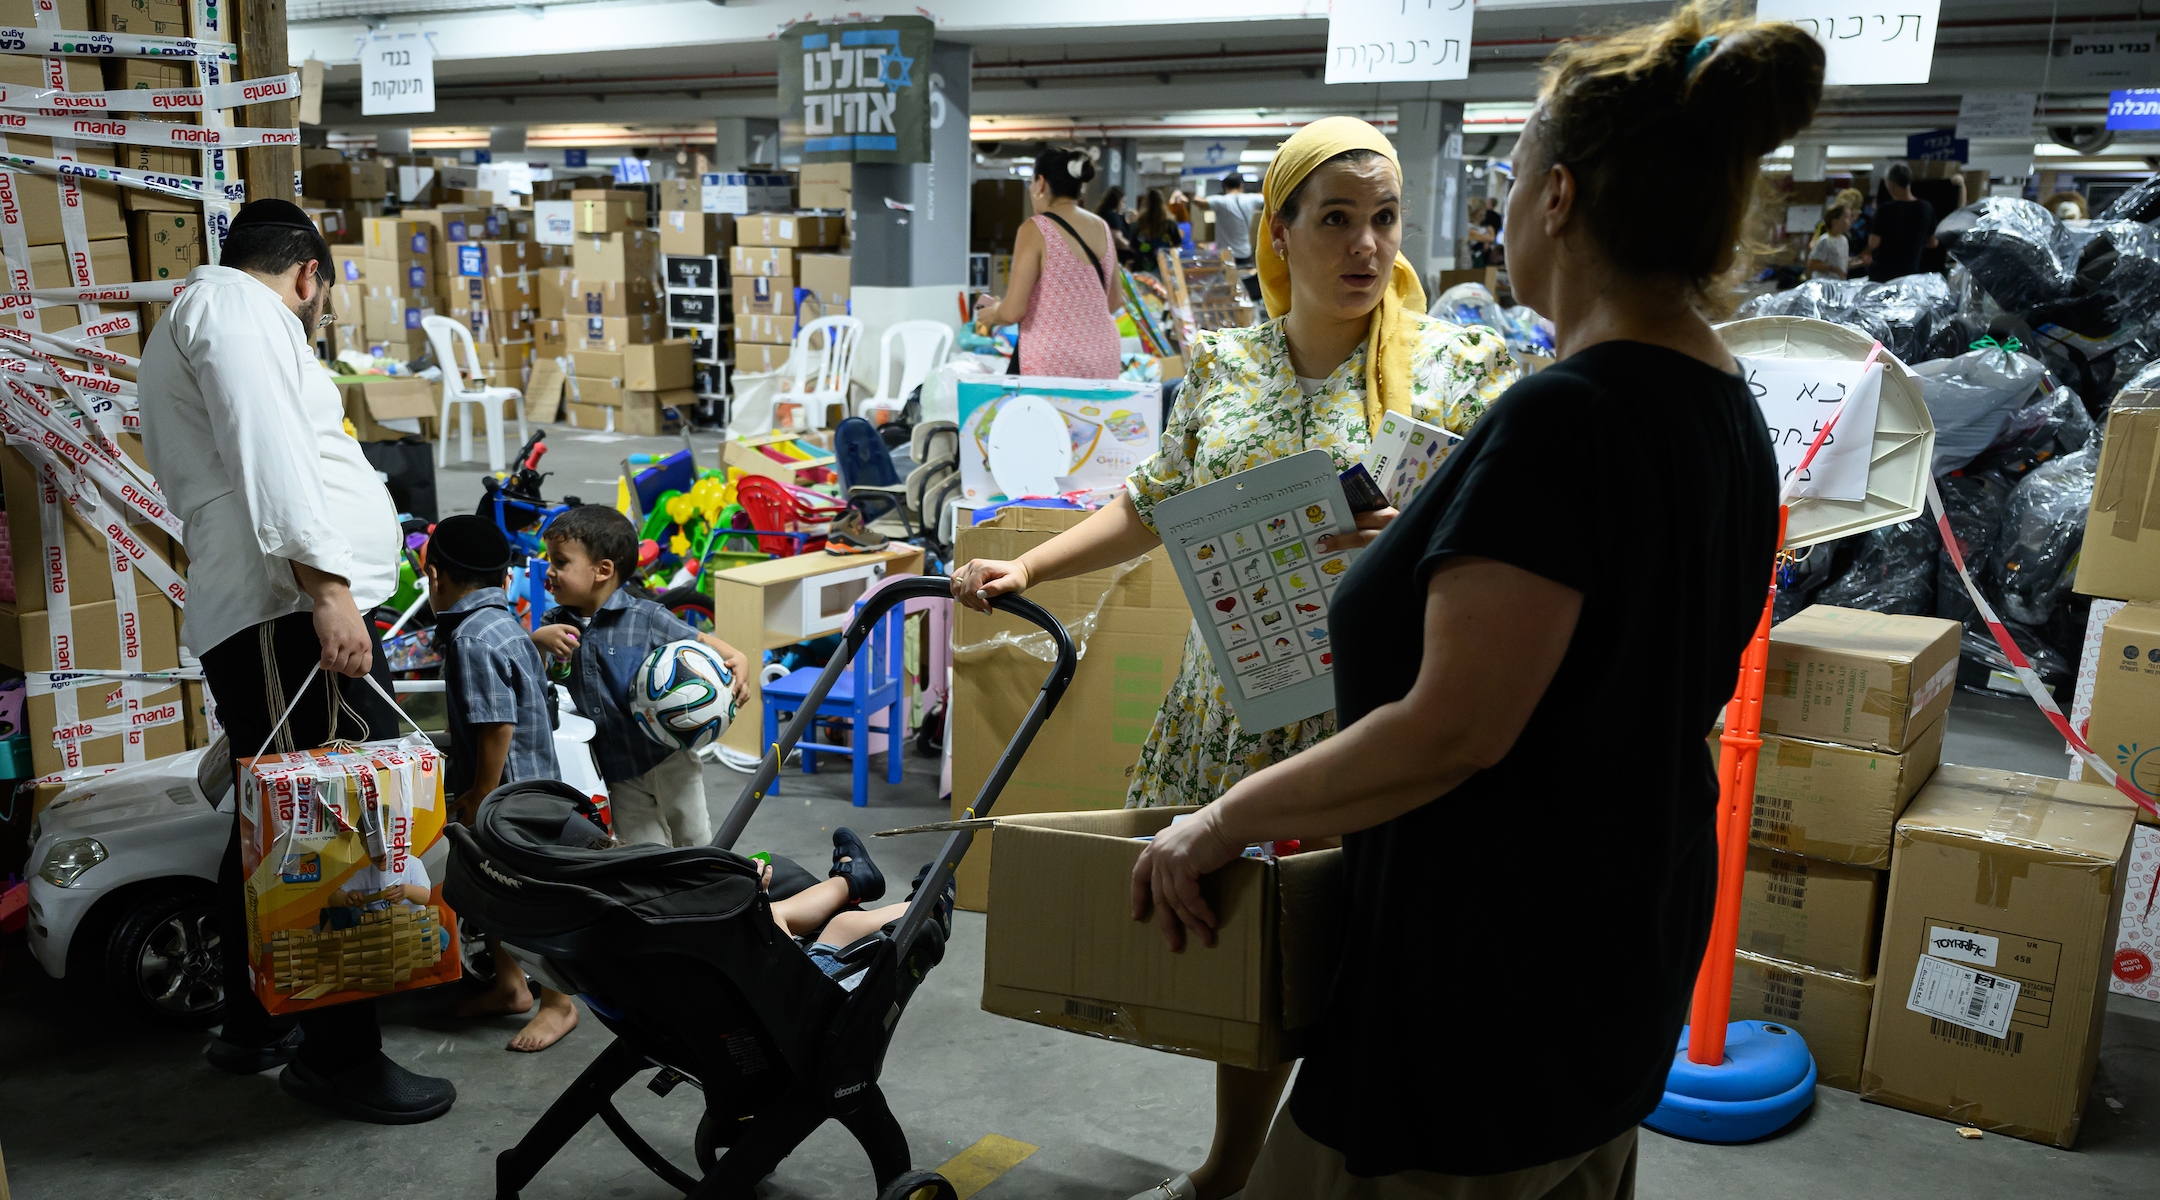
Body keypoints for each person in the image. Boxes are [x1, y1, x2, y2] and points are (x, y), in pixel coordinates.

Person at [1132, 5, 1808, 1195]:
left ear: (1559, 200)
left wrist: (1225, 816)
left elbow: (1456, 728)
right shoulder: (1722, 406)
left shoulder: (1570, 415)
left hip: (1489, 976)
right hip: (1620, 936)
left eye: (1511, 179)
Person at [953, 116, 1519, 1200]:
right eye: (1337, 219)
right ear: (1282, 230)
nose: (1365, 246)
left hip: (1386, 713)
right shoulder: (1226, 365)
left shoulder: (1456, 367)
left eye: (1384, 219)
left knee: (1378, 951)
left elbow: (1509, 531)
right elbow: (1151, 504)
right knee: (1251, 950)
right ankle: (1228, 1169)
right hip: (1248, 701)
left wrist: (1411, 533)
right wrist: (1035, 572)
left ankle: (1350, 1171)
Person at [138, 198, 457, 1123]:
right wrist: (328, 594)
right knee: (335, 832)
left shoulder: (201, 313)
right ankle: (341, 1057)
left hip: (274, 611)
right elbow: (272, 454)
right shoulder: (241, 311)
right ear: (309, 274)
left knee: (274, 820)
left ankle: (255, 1023)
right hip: (287, 614)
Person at [416, 515, 585, 1053]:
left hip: (511, 798)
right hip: (523, 785)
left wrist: (480, 799)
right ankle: (512, 987)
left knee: (524, 899)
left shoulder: (470, 638)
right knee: (484, 889)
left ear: (435, 575)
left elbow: (497, 727)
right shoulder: (502, 622)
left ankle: (558, 1003)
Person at [532, 506, 752, 848]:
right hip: (617, 770)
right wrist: (537, 642)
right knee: (642, 851)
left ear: (603, 570)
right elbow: (539, 677)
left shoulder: (646, 617)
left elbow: (700, 641)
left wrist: (736, 656)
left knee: (695, 841)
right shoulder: (555, 623)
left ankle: (704, 896)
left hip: (670, 760)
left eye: (560, 562)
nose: (549, 571)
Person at [973, 148, 1122, 379]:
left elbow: (1013, 311)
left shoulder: (1035, 229)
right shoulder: (1101, 226)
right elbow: (1113, 301)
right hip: (1104, 355)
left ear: (1041, 183)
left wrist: (992, 314)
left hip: (1054, 359)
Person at [1866, 162, 1938, 282]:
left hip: (1884, 274)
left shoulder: (1886, 209)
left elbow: (1874, 243)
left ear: (1892, 185)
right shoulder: (1926, 208)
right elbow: (1933, 242)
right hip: (1910, 274)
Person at [1205, 174, 1266, 268]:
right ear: (1241, 185)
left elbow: (1199, 202)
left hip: (1225, 254)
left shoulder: (1220, 200)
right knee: (1244, 280)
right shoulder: (1251, 198)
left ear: (1225, 187)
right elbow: (1269, 197)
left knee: (1227, 280)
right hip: (1244, 252)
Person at [1131, 188, 1182, 269]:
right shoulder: (1169, 223)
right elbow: (1177, 244)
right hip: (1163, 266)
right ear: (1162, 202)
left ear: (1146, 202)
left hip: (1142, 265)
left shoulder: (1140, 222)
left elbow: (1133, 245)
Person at [1806, 205, 1854, 280]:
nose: (1850, 221)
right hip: (1825, 284)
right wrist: (1832, 268)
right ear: (1834, 222)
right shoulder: (1825, 240)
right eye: (1846, 217)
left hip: (1839, 283)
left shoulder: (1844, 240)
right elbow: (1812, 264)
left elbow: (1842, 263)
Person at [1097, 186, 1138, 264]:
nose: (1124, 205)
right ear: (1118, 201)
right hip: (1117, 260)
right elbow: (1117, 239)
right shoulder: (1112, 216)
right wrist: (1132, 248)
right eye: (1123, 201)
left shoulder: (1103, 214)